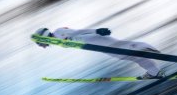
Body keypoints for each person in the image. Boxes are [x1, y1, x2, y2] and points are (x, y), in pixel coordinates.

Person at [34, 27, 165, 79]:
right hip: (95, 44)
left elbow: (78, 32)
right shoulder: (59, 39)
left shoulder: (58, 33)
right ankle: (154, 71)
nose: (43, 47)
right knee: (125, 55)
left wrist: (97, 31)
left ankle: (145, 48)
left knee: (122, 49)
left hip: (95, 39)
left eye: (41, 43)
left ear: (43, 36)